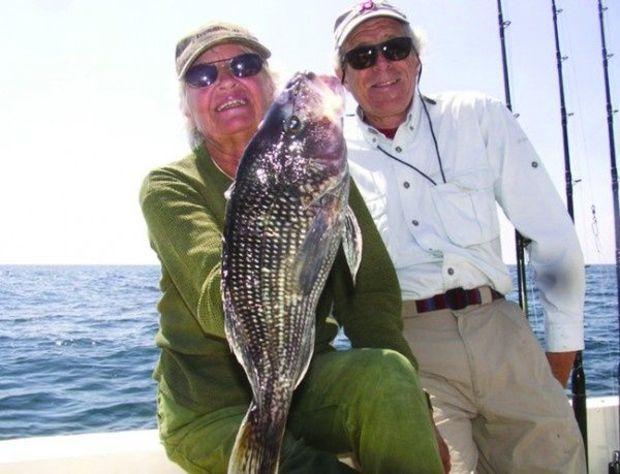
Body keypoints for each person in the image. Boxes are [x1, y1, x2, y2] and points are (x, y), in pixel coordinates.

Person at [140, 21, 446, 473]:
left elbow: (370, 292)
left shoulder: (321, 170)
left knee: (388, 376)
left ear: (268, 85)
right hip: (210, 410)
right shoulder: (169, 187)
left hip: (308, 384)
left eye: (244, 66)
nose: (226, 81)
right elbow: (214, 302)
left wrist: (415, 410)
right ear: (187, 106)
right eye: (202, 76)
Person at [333, 1, 587, 472]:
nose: (382, 64)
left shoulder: (479, 116)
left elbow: (553, 239)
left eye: (395, 47)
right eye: (362, 56)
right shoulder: (326, 152)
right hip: (406, 348)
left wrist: (558, 357)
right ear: (342, 75)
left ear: (417, 58)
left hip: (503, 334)